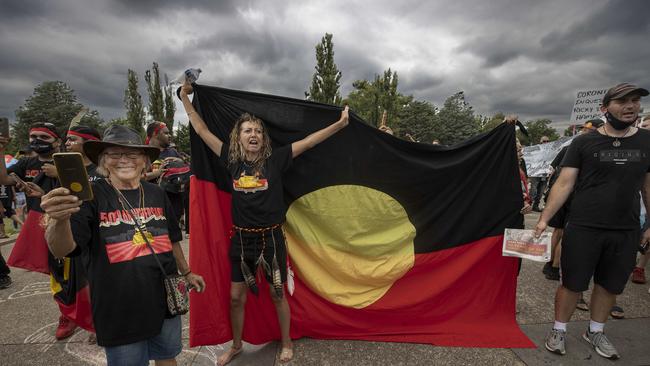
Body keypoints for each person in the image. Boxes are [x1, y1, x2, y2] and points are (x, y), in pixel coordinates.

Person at [179, 81, 349, 365]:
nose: (254, 134)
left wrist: (339, 125)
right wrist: (185, 98)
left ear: (263, 138)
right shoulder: (231, 161)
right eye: (248, 130)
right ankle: (236, 346)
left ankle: (285, 342)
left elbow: (309, 142)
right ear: (239, 137)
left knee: (277, 292)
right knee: (235, 297)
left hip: (271, 239)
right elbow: (201, 130)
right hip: (242, 240)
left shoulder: (276, 159)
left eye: (258, 131)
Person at [41, 124, 205, 366]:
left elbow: (172, 238)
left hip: (164, 299)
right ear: (103, 161)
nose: (124, 160)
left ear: (144, 161)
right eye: (114, 154)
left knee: (167, 356)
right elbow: (62, 249)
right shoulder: (90, 196)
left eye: (132, 154)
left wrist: (187, 272)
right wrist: (59, 219)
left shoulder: (156, 193)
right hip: (118, 307)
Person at [537, 83, 650, 360]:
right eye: (622, 101)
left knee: (610, 285)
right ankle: (559, 329)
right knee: (572, 283)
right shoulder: (584, 142)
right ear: (605, 108)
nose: (631, 106)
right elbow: (564, 183)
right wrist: (543, 220)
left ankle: (596, 330)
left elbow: (648, 187)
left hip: (625, 229)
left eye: (634, 101)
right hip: (584, 225)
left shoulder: (646, 141)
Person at [529, 136, 550, 211]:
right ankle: (529, 204)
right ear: (541, 142)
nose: (546, 143)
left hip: (545, 174)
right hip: (536, 173)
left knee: (541, 191)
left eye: (548, 141)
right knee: (533, 189)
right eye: (544, 141)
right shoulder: (536, 150)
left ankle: (536, 205)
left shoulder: (551, 151)